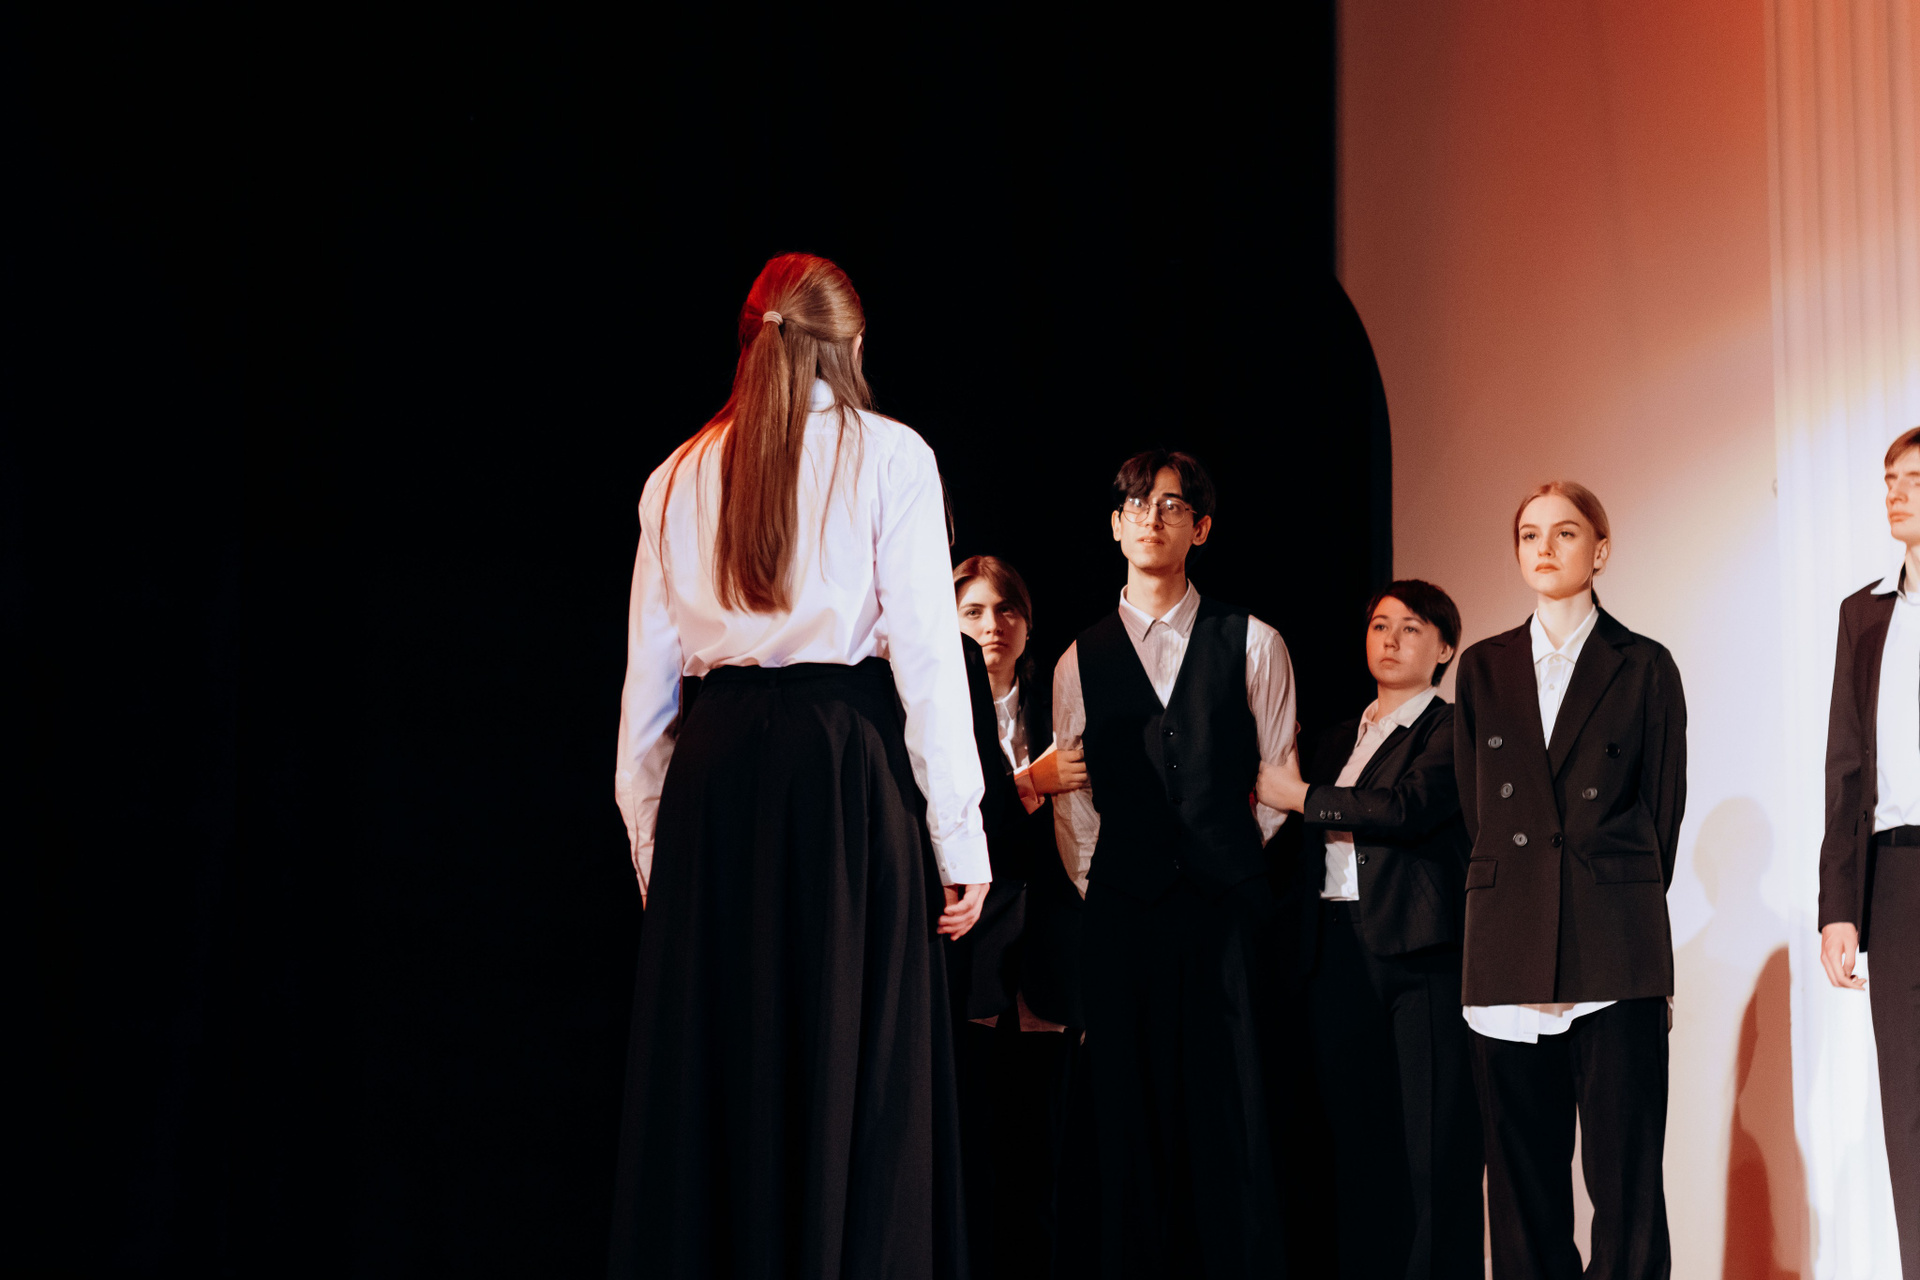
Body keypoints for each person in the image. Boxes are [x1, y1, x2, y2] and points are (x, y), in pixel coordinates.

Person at [606, 253, 990, 1279]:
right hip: (842, 768)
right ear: (851, 345)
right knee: (852, 1052)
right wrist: (961, 839)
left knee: (721, 1063)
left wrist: (654, 849)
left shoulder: (677, 472)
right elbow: (927, 657)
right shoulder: (892, 455)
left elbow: (646, 696)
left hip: (715, 778)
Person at [1051, 449, 1298, 1278]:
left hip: (1228, 906)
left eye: (1170, 504)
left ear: (1202, 527)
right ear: (1114, 526)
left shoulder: (1254, 640)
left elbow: (1277, 779)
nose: (1151, 517)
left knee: (1237, 1104)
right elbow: (1075, 798)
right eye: (1135, 505)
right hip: (1124, 908)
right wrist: (1111, 879)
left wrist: (1224, 854)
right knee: (1129, 1109)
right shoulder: (1078, 657)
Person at [1451, 482, 1686, 1280]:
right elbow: (1476, 812)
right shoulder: (1483, 668)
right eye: (1529, 534)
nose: (1544, 548)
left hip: (1613, 947)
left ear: (1600, 549)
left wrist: (1611, 902)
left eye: (1564, 532)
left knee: (1626, 1188)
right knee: (1521, 1192)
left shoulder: (1644, 664)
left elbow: (1661, 813)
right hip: (1506, 943)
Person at [1256, 580, 1484, 1279]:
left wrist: (1302, 797)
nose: (1390, 639)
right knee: (1355, 1144)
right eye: (1381, 625)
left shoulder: (1452, 729)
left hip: (1419, 954)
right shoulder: (1331, 740)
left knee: (1433, 1148)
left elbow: (1404, 807)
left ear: (1444, 649)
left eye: (1411, 628)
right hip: (1334, 952)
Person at [948, 555, 1093, 1279]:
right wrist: (1032, 784)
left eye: (1006, 609)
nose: (991, 625)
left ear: (1028, 624)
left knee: (1044, 1158)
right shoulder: (935, 709)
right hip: (966, 950)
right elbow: (954, 824)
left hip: (1050, 949)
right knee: (968, 1151)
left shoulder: (1057, 702)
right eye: (973, 611)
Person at [1819, 424, 1920, 1276]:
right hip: (1898, 873)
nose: (1895, 493)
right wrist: (1839, 907)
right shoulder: (1866, 613)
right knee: (1910, 1101)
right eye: (1889, 479)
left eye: (1914, 478)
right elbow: (1845, 766)